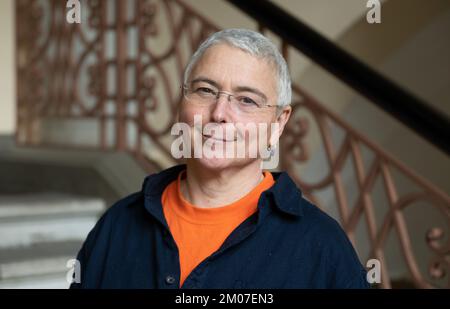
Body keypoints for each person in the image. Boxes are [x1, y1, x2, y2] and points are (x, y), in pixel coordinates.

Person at [70, 28, 369, 289]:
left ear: (278, 124)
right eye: (205, 90)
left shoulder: (322, 249)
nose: (219, 114)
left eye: (247, 100)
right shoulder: (117, 224)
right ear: (181, 104)